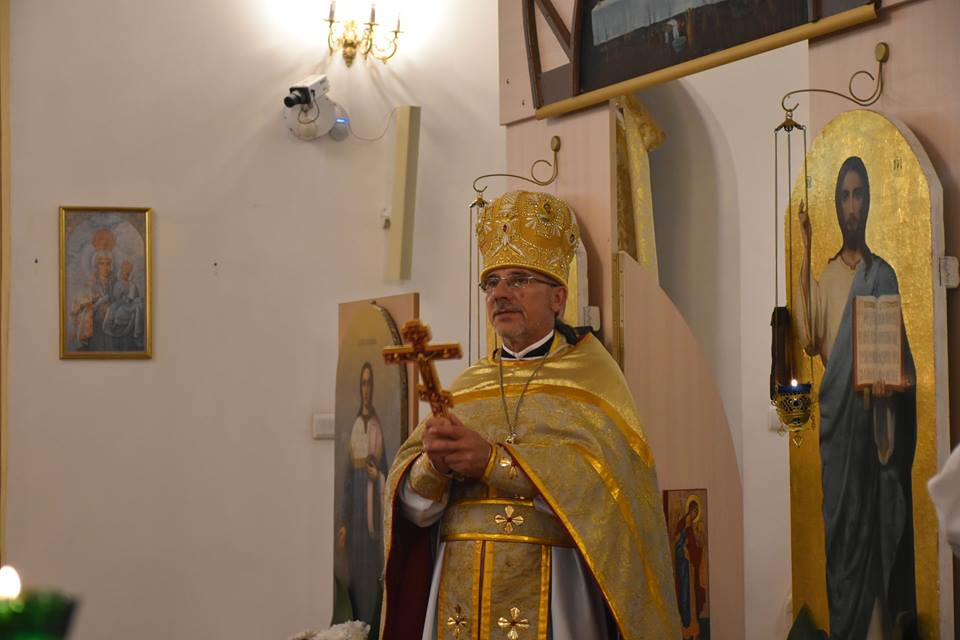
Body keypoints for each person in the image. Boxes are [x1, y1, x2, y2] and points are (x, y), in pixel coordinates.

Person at [380, 191, 681, 640]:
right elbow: (413, 512)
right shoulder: (466, 387)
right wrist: (434, 468)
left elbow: (607, 497)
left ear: (558, 298)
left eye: (518, 280)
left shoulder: (594, 379)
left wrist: (493, 463)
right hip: (458, 593)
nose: (500, 294)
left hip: (555, 587)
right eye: (491, 283)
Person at [795, 156, 917, 639]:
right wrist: (806, 248)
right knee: (841, 534)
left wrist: (892, 391)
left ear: (869, 201)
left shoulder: (882, 275)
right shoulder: (827, 278)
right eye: (844, 196)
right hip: (838, 431)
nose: (851, 206)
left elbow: (902, 364)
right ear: (836, 205)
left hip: (872, 433)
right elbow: (808, 337)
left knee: (872, 532)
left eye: (858, 194)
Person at [337, 362, 388, 626]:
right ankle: (356, 623)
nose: (366, 389)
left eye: (369, 383)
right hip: (355, 514)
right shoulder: (356, 425)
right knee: (355, 569)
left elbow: (388, 472)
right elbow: (347, 479)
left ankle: (371, 623)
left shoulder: (378, 427)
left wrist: (377, 476)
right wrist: (344, 522)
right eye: (363, 383)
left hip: (371, 517)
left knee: (370, 569)